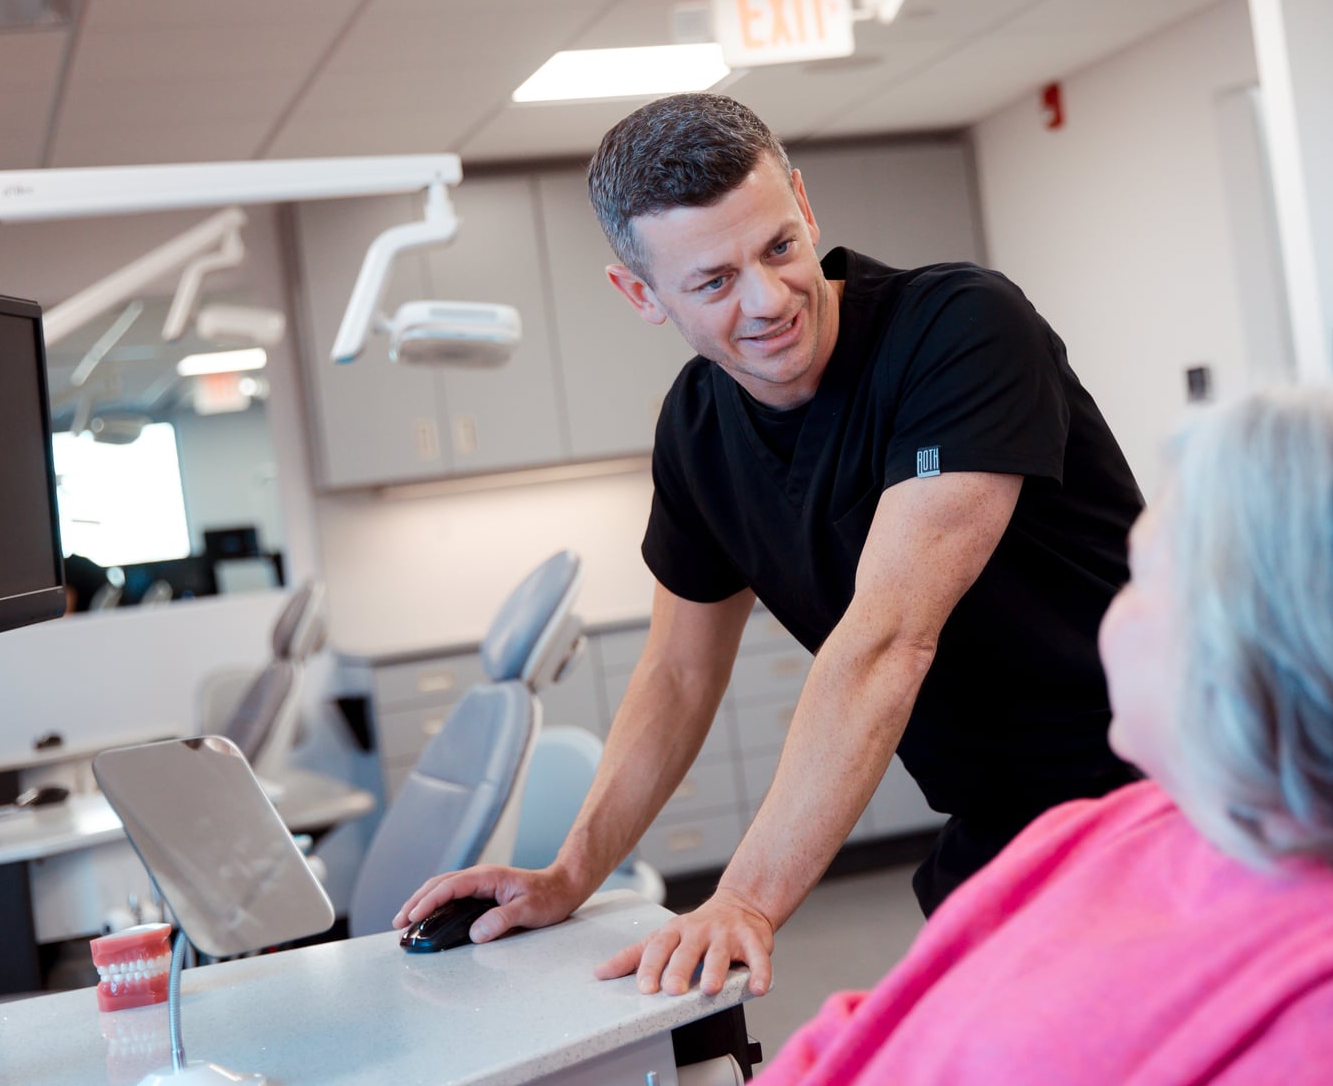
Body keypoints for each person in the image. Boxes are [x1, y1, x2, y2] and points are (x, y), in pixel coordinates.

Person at [396, 93, 1143, 997]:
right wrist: (568, 876)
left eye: (779, 247)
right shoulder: (699, 429)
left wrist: (744, 898)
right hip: (1001, 821)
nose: (768, 299)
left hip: (1162, 786)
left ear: (803, 202)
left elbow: (887, 641)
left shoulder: (960, 329)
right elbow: (678, 673)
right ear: (639, 294)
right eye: (712, 282)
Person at [755, 379, 1333, 1086]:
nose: (1107, 616)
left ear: (1271, 645)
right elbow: (884, 1023)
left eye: (1139, 575)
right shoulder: (1100, 828)